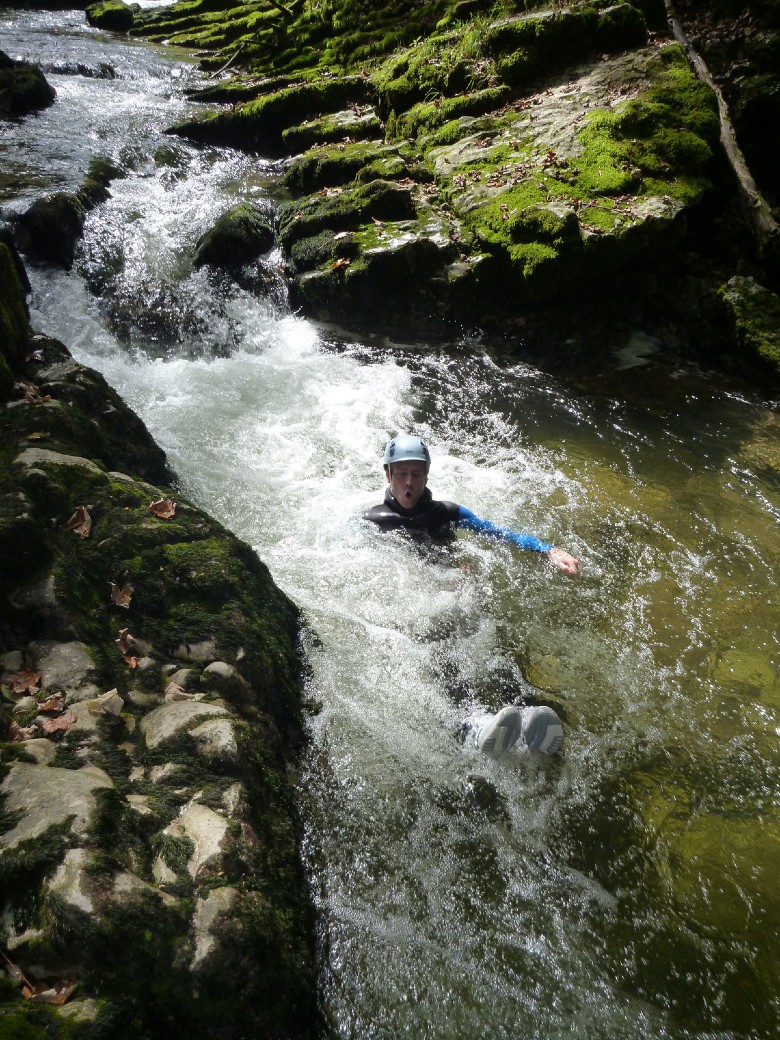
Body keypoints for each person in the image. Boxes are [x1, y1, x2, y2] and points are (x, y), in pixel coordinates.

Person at [363, 433, 580, 757]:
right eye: (402, 473)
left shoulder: (447, 513)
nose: (409, 482)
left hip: (455, 591)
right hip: (418, 603)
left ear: (426, 475)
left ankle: (522, 711)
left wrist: (548, 549)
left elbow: (500, 533)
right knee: (441, 642)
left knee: (491, 633)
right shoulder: (373, 522)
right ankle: (471, 725)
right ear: (388, 475)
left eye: (416, 473)